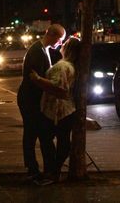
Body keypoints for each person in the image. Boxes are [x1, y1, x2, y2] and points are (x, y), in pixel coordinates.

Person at [17, 23, 66, 182]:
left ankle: (36, 168)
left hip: (33, 98)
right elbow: (36, 79)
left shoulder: (41, 49)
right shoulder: (37, 52)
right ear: (51, 35)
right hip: (31, 99)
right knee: (33, 133)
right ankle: (33, 168)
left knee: (35, 133)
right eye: (59, 39)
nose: (60, 43)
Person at [30, 36, 81, 181]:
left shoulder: (62, 67)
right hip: (67, 110)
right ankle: (54, 170)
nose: (61, 44)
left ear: (68, 49)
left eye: (64, 43)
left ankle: (53, 170)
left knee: (47, 140)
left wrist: (37, 79)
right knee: (62, 141)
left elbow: (58, 88)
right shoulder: (71, 66)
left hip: (55, 111)